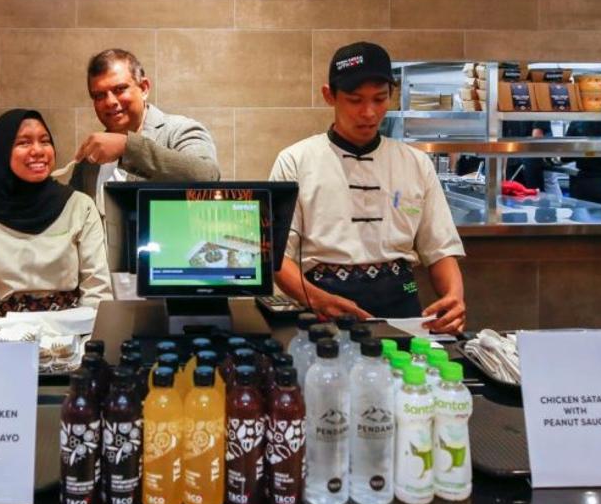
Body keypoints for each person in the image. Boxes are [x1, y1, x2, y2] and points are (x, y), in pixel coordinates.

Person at [269, 42, 468, 333]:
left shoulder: (415, 163)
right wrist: (317, 300)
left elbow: (439, 249)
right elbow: (277, 257)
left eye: (379, 99)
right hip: (323, 309)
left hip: (403, 307)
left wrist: (453, 298)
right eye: (354, 99)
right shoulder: (295, 161)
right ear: (329, 96)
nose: (369, 112)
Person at [0, 109, 113, 325]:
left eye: (45, 141)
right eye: (23, 143)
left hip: (74, 337)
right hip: (4, 341)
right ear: (1, 151)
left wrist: (84, 341)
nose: (38, 150)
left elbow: (97, 290)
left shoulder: (80, 206)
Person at [66, 49, 220, 211]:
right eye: (99, 96)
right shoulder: (92, 154)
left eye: (119, 89)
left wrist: (128, 148)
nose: (110, 101)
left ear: (144, 88)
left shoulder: (179, 130)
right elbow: (73, 214)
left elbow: (207, 177)